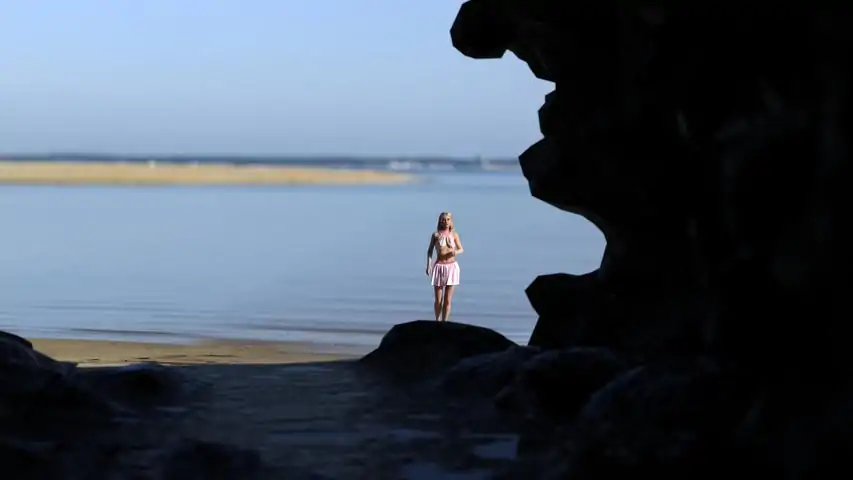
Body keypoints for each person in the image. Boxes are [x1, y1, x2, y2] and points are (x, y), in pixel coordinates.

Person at [425, 211, 464, 322]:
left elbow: (461, 249)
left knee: (447, 300)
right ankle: (437, 320)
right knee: (438, 299)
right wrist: (429, 265)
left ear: (451, 221)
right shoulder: (436, 235)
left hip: (451, 267)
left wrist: (455, 252)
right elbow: (430, 250)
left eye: (448, 219)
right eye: (443, 219)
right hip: (439, 266)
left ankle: (444, 322)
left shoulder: (454, 235)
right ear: (440, 221)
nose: (445, 222)